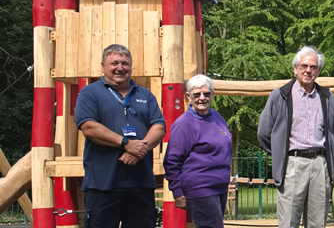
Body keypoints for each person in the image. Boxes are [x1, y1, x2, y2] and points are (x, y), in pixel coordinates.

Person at [74, 44, 166, 228]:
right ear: (103, 66)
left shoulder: (145, 95)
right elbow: (89, 128)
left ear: (131, 66)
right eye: (114, 63)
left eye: (125, 63)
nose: (120, 68)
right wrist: (125, 143)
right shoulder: (89, 93)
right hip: (103, 185)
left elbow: (159, 126)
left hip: (141, 184)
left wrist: (139, 149)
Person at [257, 46, 334, 228]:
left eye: (313, 67)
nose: (308, 70)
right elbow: (264, 132)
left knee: (318, 223)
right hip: (292, 164)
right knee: (288, 223)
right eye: (304, 66)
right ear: (295, 68)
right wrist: (280, 152)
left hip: (320, 164)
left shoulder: (327, 97)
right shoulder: (280, 96)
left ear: (318, 71)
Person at [164, 74, 232, 228]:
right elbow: (172, 161)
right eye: (197, 94)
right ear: (189, 96)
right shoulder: (184, 124)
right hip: (200, 187)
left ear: (212, 95)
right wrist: (177, 192)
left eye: (206, 94)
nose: (202, 98)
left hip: (220, 186)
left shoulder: (217, 117)